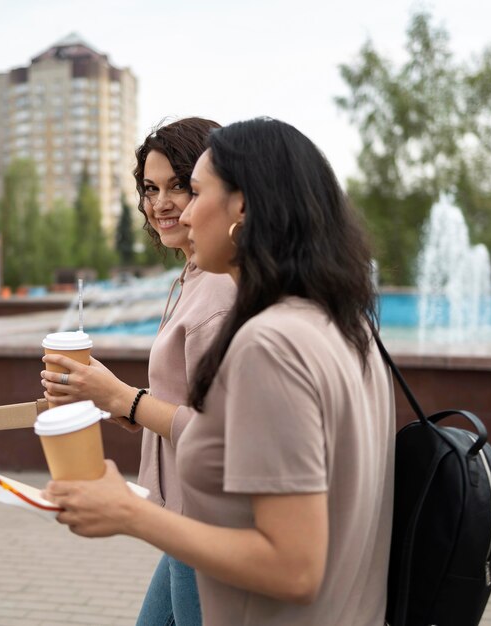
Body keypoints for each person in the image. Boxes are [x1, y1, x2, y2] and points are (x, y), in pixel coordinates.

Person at [42, 118, 395, 625]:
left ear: (243, 209)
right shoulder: (342, 319)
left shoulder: (269, 343)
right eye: (152, 190)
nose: (182, 211)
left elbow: (294, 568)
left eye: (195, 190)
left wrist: (126, 510)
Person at [40, 117, 236, 626]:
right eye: (151, 188)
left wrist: (123, 399)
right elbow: (191, 399)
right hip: (183, 515)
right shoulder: (194, 275)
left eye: (180, 186)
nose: (161, 203)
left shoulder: (218, 287)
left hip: (208, 519)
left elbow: (223, 434)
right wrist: (113, 399)